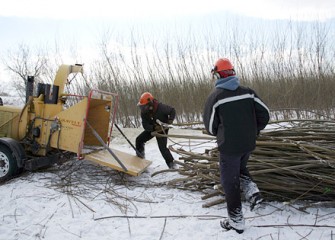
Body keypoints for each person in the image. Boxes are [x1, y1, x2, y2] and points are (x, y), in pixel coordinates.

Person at [203, 58, 270, 234]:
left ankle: (236, 221)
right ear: (232, 73)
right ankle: (252, 191)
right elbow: (265, 114)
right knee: (240, 168)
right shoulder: (248, 93)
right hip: (248, 143)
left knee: (229, 182)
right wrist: (253, 130)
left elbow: (210, 127)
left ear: (218, 75)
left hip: (229, 147)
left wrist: (221, 132)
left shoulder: (216, 97)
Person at [135, 92, 177, 169]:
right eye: (142, 107)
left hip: (162, 129)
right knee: (139, 140)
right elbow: (145, 125)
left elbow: (172, 110)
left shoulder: (161, 107)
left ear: (150, 104)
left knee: (162, 148)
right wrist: (154, 128)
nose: (143, 109)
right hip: (152, 128)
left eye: (144, 106)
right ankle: (140, 160)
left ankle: (172, 165)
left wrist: (170, 120)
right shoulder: (144, 112)